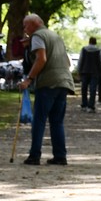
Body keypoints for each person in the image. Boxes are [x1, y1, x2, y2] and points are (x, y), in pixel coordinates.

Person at [18, 13, 75, 165]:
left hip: (48, 82)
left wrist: (29, 79)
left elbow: (41, 58)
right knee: (57, 121)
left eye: (26, 25)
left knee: (39, 120)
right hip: (64, 81)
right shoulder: (54, 36)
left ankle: (34, 155)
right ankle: (60, 155)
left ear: (34, 24)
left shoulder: (37, 36)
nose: (24, 29)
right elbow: (67, 61)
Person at [77, 36, 101, 112]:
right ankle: (91, 106)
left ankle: (84, 104)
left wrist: (78, 71)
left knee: (84, 88)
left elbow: (80, 61)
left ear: (89, 41)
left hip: (85, 71)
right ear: (95, 42)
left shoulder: (84, 49)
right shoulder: (98, 50)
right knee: (93, 89)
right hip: (95, 72)